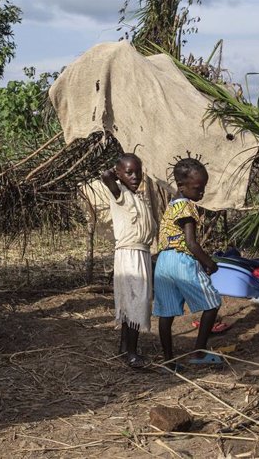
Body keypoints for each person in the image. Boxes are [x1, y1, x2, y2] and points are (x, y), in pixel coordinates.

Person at [153, 155, 221, 370]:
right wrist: (209, 263)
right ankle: (199, 352)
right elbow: (191, 244)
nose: (201, 193)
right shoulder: (187, 207)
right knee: (212, 303)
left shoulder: (171, 206)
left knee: (166, 312)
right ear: (181, 186)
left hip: (163, 262)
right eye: (198, 188)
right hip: (182, 261)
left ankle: (168, 359)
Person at [100, 154, 157, 368]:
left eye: (137, 172)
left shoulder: (136, 197)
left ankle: (125, 347)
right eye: (128, 172)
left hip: (140, 253)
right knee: (136, 301)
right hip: (130, 254)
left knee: (132, 301)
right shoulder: (120, 193)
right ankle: (132, 354)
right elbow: (106, 177)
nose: (134, 176)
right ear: (119, 173)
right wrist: (112, 174)